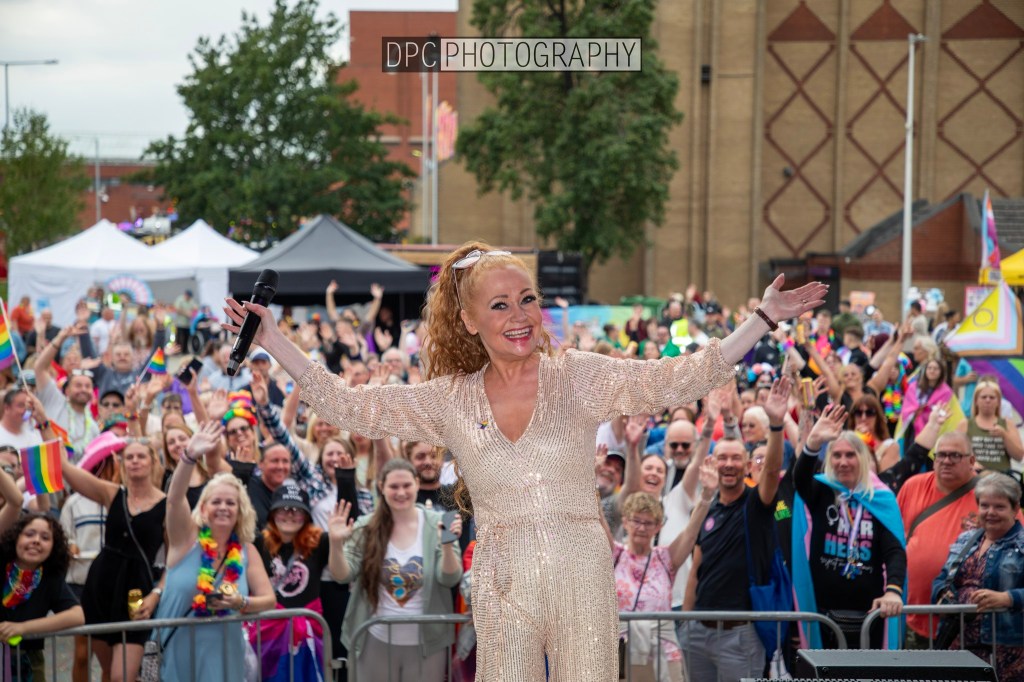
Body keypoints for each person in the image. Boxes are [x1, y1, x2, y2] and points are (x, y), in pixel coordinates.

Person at [224, 242, 826, 680]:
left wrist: (763, 317)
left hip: (582, 576)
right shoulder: (450, 399)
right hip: (501, 580)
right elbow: (355, 408)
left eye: (528, 300)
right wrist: (273, 339)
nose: (519, 316)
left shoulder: (576, 377)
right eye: (500, 305)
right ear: (468, 320)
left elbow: (681, 375)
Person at [679, 378, 789, 681]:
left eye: (736, 458)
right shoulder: (708, 510)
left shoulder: (756, 505)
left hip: (740, 636)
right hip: (698, 634)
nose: (729, 464)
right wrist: (686, 625)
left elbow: (770, 471)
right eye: (723, 457)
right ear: (713, 462)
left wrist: (777, 425)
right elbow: (695, 572)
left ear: (746, 464)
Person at [153, 421, 276, 681]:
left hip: (225, 655)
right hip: (180, 653)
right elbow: (175, 500)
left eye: (230, 502)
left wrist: (241, 602)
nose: (223, 507)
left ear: (240, 511)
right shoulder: (185, 539)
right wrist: (189, 457)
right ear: (204, 508)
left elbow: (269, 599)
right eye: (216, 501)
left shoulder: (247, 551)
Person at [331, 458, 461, 681]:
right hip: (374, 639)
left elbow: (449, 578)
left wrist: (447, 546)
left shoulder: (441, 522)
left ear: (417, 484)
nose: (401, 492)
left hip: (427, 644)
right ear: (381, 487)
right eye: (393, 486)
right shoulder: (365, 525)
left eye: (406, 485)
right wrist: (335, 543)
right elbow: (342, 576)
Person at [792, 406, 906, 649]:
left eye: (850, 455)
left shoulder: (881, 499)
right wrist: (813, 443)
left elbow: (894, 550)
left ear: (863, 459)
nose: (843, 462)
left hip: (870, 616)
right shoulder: (821, 491)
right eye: (837, 455)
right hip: (823, 614)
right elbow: (800, 478)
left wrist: (893, 590)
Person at [59, 438, 166, 682]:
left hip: (137, 591)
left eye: (141, 456)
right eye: (129, 457)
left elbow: (175, 559)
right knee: (108, 672)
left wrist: (156, 593)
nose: (135, 461)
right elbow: (68, 470)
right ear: (122, 463)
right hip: (102, 585)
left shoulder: (167, 505)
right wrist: (44, 424)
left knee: (122, 676)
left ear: (153, 462)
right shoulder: (113, 493)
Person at [608, 459, 717, 682]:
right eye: (636, 521)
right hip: (620, 652)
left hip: (663, 654)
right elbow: (598, 520)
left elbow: (691, 531)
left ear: (658, 527)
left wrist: (706, 496)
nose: (641, 527)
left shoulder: (666, 558)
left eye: (648, 523)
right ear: (625, 522)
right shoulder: (614, 554)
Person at [252, 483, 349, 682]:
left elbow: (341, 575)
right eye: (283, 509)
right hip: (268, 632)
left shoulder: (319, 542)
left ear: (305, 517)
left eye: (297, 510)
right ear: (272, 514)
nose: (290, 515)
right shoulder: (258, 542)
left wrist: (336, 542)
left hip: (307, 635)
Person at [932, 473, 1024, 678]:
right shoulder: (965, 540)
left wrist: (1007, 598)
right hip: (958, 645)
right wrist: (941, 598)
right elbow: (942, 579)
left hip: (1008, 652)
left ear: (1015, 509)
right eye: (985, 506)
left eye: (999, 507)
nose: (990, 512)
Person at [898, 431, 983, 648]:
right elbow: (893, 540)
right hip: (911, 615)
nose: (946, 461)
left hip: (965, 622)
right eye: (941, 454)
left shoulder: (988, 494)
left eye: (955, 456)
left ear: (972, 461)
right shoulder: (913, 486)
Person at [0, 514, 85, 681]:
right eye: (29, 534)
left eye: (45, 537)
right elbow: (16, 502)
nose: (36, 540)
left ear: (54, 547)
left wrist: (23, 628)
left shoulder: (50, 579)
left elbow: (78, 615)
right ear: (16, 538)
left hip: (29, 664)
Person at [959, 380, 1024, 471]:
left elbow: (1019, 456)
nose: (988, 400)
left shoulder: (1007, 424)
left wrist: (1005, 435)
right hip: (973, 478)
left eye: (992, 397)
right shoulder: (965, 424)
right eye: (983, 397)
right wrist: (971, 462)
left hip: (1001, 479)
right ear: (976, 401)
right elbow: (956, 454)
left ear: (998, 402)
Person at [900, 358, 953, 441]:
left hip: (932, 428)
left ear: (941, 372)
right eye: (929, 368)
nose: (932, 371)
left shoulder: (946, 391)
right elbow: (907, 406)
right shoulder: (914, 386)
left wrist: (927, 409)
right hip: (912, 427)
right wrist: (915, 410)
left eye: (936, 369)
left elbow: (943, 410)